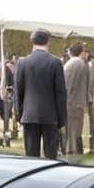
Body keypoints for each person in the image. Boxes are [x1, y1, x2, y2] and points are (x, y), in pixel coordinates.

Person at [14, 28, 67, 159]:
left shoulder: (22, 62)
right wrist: (61, 118)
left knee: (31, 156)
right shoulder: (55, 62)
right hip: (50, 115)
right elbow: (60, 93)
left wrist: (19, 113)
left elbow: (18, 91)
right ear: (48, 42)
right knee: (51, 155)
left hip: (29, 114)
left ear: (32, 41)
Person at [63, 42, 89, 155]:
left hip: (71, 101)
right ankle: (74, 150)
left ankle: (72, 150)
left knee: (72, 129)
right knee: (75, 129)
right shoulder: (80, 63)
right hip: (76, 102)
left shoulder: (71, 64)